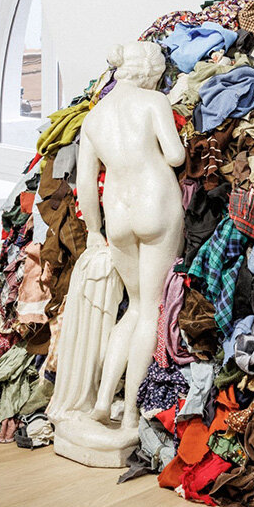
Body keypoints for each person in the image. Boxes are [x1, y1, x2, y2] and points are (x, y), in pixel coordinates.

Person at [65, 41, 185, 438]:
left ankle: (102, 402)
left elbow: (85, 182)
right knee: (151, 310)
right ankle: (130, 412)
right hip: (156, 203)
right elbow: (175, 156)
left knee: (131, 308)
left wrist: (94, 231)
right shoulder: (154, 101)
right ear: (148, 72)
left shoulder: (94, 117)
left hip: (116, 213)